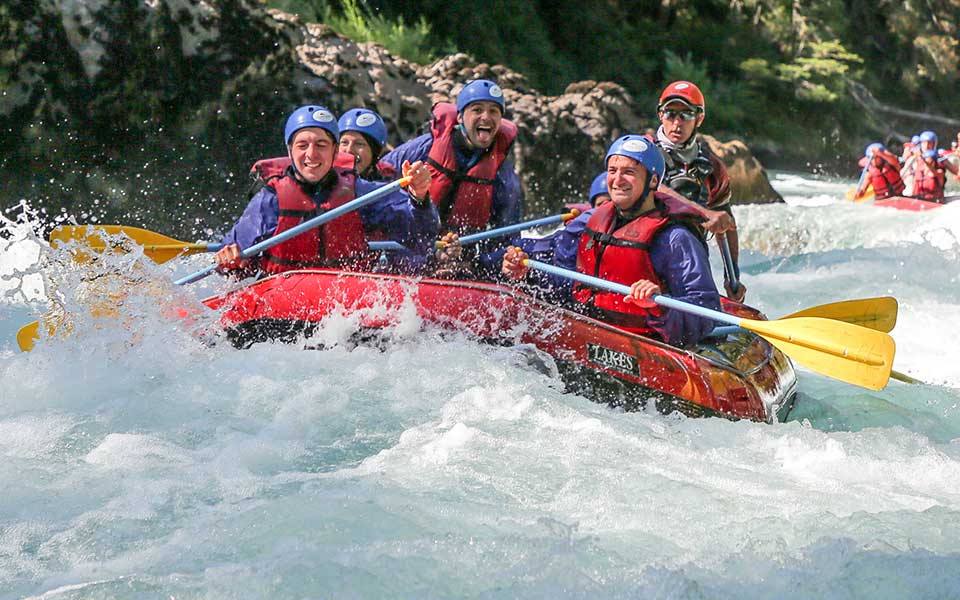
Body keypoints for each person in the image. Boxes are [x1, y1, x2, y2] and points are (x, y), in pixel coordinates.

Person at [501, 135, 721, 347]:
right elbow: (559, 271)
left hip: (643, 342)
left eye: (629, 172)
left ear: (653, 180)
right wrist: (524, 269)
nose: (617, 180)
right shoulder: (589, 221)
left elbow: (706, 310)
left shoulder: (676, 239)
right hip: (587, 331)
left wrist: (658, 305)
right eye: (612, 170)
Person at [215, 105, 437, 276]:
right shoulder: (270, 201)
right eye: (302, 145)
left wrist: (419, 197)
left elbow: (420, 235)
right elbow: (234, 266)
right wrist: (230, 260)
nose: (311, 154)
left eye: (321, 145)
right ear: (290, 151)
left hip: (347, 303)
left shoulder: (362, 193)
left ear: (335, 151)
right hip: (284, 302)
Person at [380, 79, 523, 278]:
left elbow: (507, 236)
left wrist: (501, 264)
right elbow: (380, 177)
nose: (486, 117)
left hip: (461, 252)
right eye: (477, 110)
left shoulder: (503, 174)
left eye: (493, 111)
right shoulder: (425, 147)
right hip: (412, 242)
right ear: (460, 117)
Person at [647, 80, 744, 302]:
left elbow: (726, 223)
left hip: (689, 259)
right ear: (660, 115)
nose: (677, 122)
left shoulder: (712, 167)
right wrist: (703, 213)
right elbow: (654, 187)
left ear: (699, 119)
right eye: (670, 113)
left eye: (686, 114)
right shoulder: (642, 151)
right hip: (644, 252)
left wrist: (732, 277)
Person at [337, 108, 391, 181]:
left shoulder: (387, 182)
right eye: (344, 142)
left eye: (359, 144)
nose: (349, 150)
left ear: (374, 153)